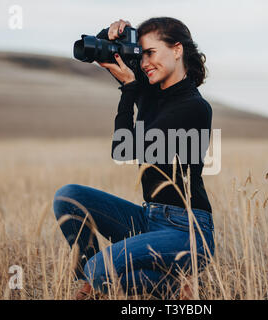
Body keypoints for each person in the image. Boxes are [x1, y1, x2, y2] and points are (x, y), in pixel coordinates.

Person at [53, 17, 214, 299]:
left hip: (187, 232)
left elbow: (124, 150)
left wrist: (129, 89)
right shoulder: (149, 86)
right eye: (141, 55)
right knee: (68, 197)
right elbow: (98, 51)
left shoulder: (195, 107)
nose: (143, 63)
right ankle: (158, 281)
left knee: (101, 269)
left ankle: (103, 278)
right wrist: (114, 32)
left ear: (177, 50)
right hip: (148, 217)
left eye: (150, 53)